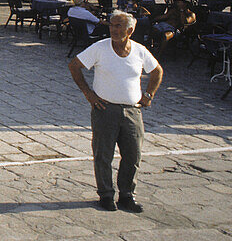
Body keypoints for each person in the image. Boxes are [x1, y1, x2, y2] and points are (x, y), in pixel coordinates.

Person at [68, 11, 163, 213]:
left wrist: (149, 95)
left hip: (132, 112)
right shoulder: (100, 48)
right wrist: (89, 94)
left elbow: (157, 71)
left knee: (133, 155)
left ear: (130, 30)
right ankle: (106, 194)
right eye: (112, 25)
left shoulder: (139, 51)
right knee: (103, 154)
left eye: (119, 26)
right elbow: (74, 66)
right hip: (105, 110)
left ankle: (127, 194)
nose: (113, 29)